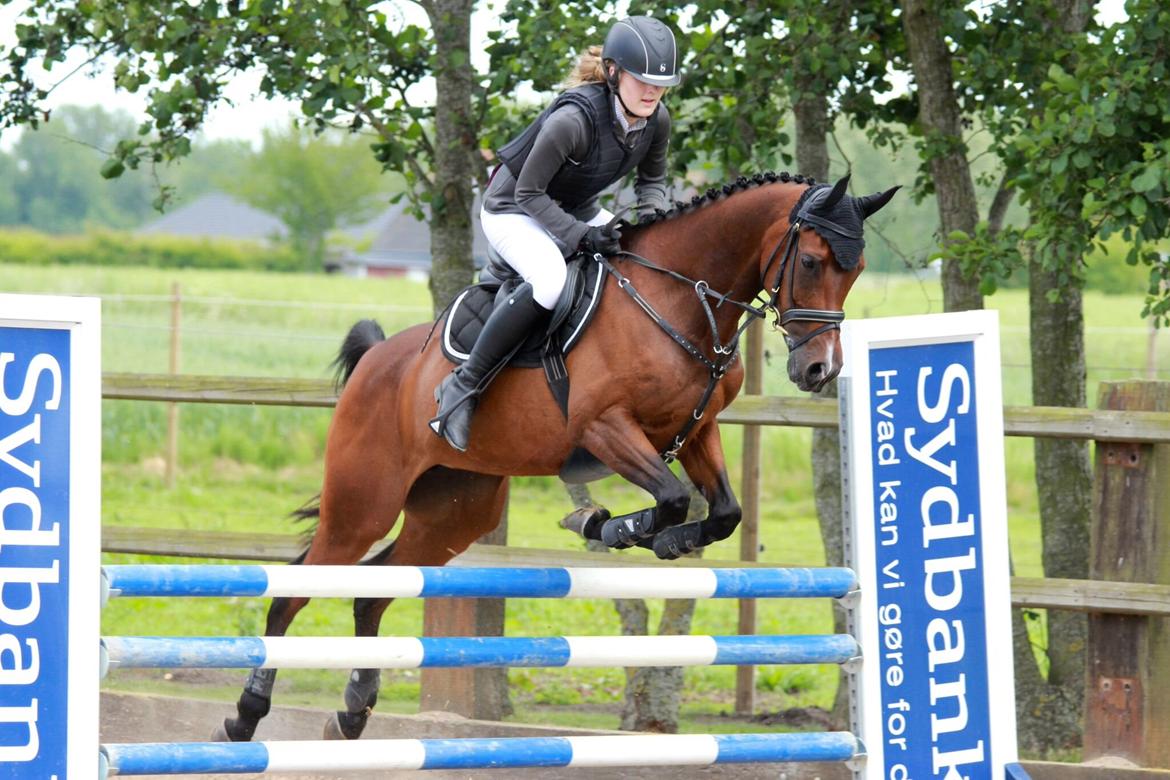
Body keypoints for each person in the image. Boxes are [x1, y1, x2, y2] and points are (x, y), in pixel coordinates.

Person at [430, 16, 680, 452]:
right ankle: (462, 387)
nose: (651, 92)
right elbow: (528, 192)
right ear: (615, 72)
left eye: (660, 84)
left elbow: (652, 183)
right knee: (551, 281)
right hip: (512, 207)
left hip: (570, 206)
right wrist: (582, 237)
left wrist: (653, 220)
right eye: (642, 80)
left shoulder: (657, 119)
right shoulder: (573, 120)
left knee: (643, 258)